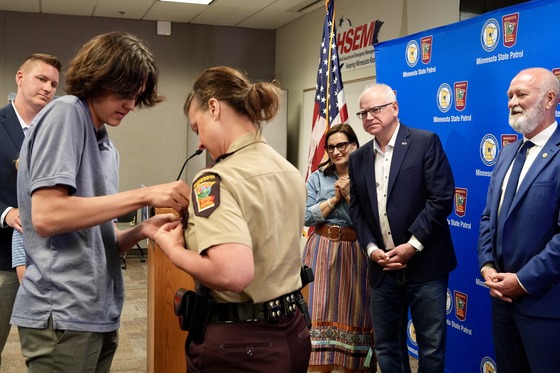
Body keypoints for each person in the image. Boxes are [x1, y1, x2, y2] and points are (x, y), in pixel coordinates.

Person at [10, 31, 191, 372]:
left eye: (137, 97)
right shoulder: (66, 113)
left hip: (97, 312)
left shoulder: (105, 145)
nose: (131, 105)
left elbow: (99, 242)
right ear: (99, 77)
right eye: (126, 93)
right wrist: (145, 194)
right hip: (62, 312)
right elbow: (47, 216)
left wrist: (141, 230)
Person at [153, 66, 311, 372]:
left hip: (241, 348)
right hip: (293, 333)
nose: (198, 142)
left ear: (214, 108)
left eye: (196, 127)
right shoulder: (289, 170)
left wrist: (172, 249)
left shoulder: (214, 179)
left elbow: (232, 274)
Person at [348, 83, 457, 373]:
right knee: (386, 346)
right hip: (382, 269)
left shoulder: (424, 142)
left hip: (425, 266)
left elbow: (441, 198)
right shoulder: (357, 158)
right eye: (363, 112)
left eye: (376, 109)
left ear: (394, 108)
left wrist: (412, 245)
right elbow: (357, 211)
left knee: (431, 347)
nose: (369, 116)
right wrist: (371, 249)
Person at [477, 67, 560, 372]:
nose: (512, 102)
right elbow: (489, 217)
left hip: (547, 307)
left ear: (550, 98)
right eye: (510, 95)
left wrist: (522, 281)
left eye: (521, 94)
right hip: (502, 301)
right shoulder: (506, 153)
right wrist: (487, 266)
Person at [0, 53, 61, 367]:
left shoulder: (55, 132)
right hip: (2, 261)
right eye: (42, 79)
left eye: (53, 84)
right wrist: (6, 213)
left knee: (44, 354)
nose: (48, 88)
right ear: (20, 78)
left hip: (47, 263)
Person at [303, 123, 375, 372]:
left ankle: (353, 366)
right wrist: (334, 199)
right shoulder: (317, 177)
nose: (336, 151)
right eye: (331, 147)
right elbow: (306, 218)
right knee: (319, 310)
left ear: (354, 145)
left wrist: (349, 196)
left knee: (355, 311)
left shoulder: (369, 174)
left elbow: (374, 220)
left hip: (355, 251)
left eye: (342, 145)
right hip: (322, 249)